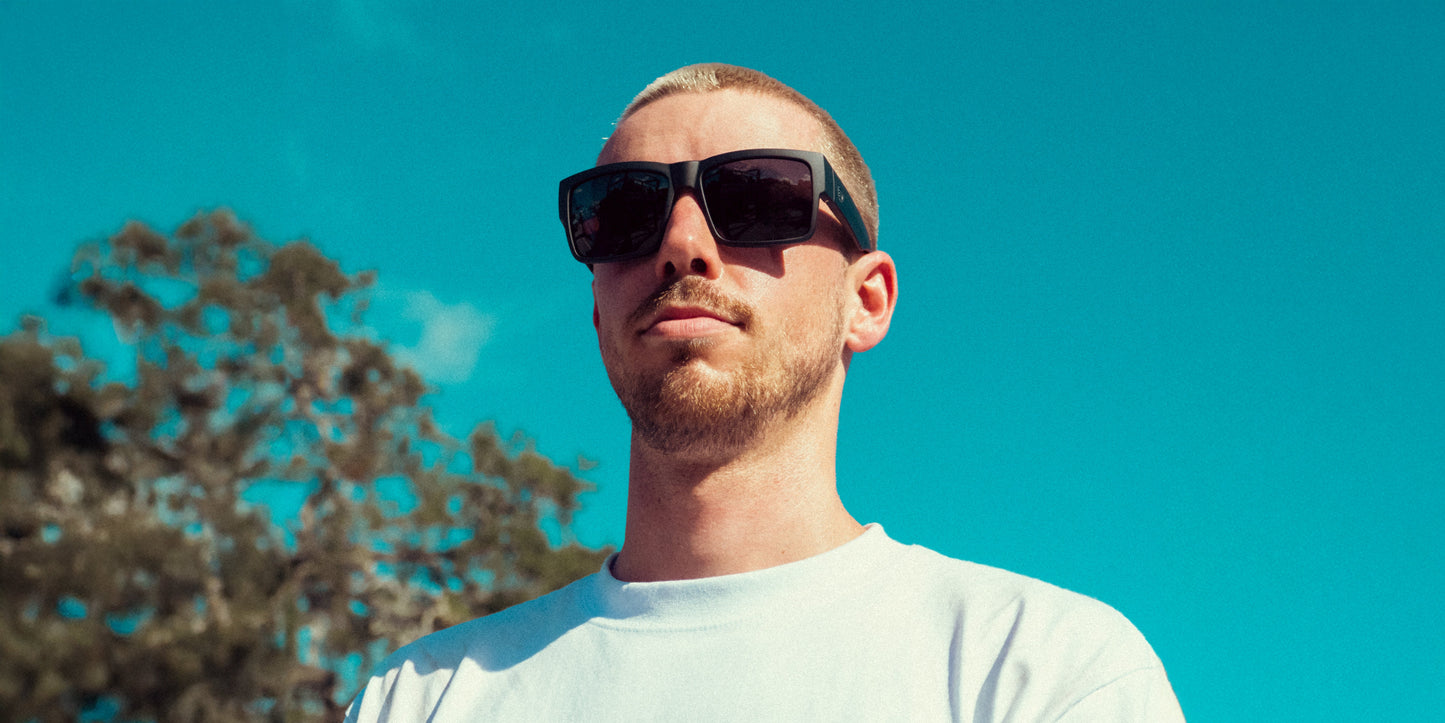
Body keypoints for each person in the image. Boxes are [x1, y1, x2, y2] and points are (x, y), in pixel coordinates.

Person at [346, 63, 1184, 722]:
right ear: (597, 317)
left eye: (756, 197)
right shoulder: (423, 697)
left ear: (866, 300)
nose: (681, 244)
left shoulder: (1042, 670)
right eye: (623, 210)